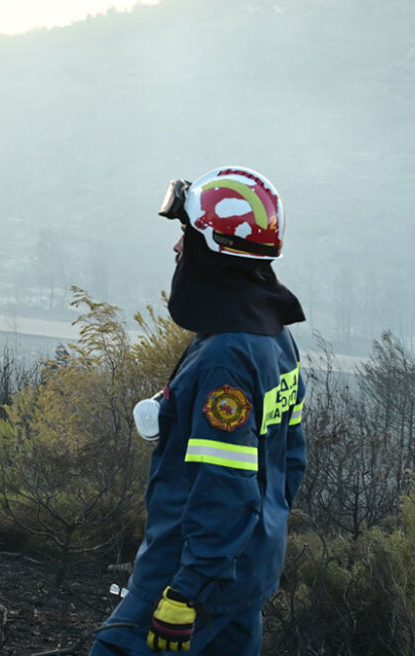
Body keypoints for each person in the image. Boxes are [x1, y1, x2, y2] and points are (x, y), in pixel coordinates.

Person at [89, 166, 307, 655]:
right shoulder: (275, 338)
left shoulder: (224, 360)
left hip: (188, 578)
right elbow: (290, 461)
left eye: (185, 235)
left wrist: (184, 591)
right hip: (245, 573)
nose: (176, 247)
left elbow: (225, 486)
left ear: (211, 249)